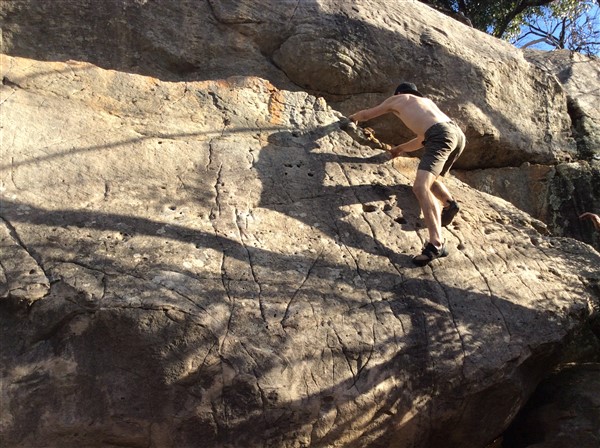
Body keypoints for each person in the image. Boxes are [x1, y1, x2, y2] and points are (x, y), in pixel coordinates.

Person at [349, 82, 466, 266]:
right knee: (430, 177)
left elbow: (366, 114)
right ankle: (449, 203)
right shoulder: (426, 104)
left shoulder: (398, 98)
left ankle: (436, 244)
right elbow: (421, 140)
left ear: (399, 92)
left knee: (420, 187)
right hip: (457, 134)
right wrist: (400, 149)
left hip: (440, 134)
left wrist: (351, 119)